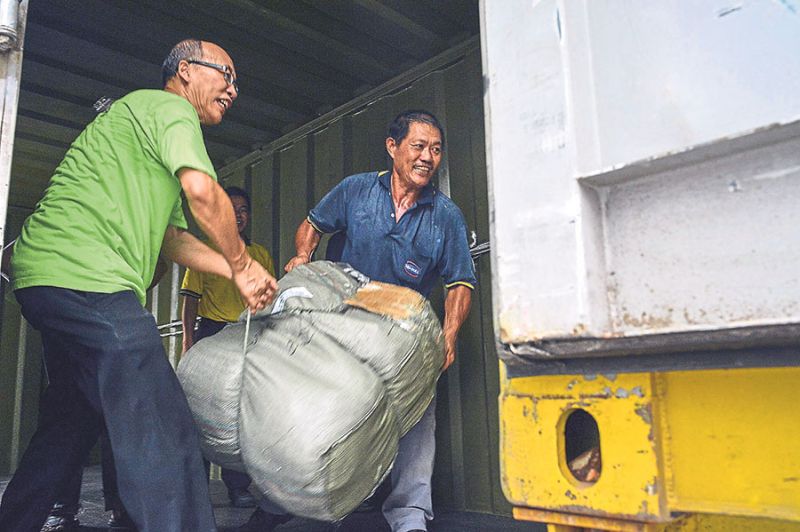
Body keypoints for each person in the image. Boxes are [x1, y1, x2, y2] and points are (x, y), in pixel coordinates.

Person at [0, 39, 277, 532]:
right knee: (162, 418)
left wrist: (233, 269)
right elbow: (202, 190)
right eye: (226, 75)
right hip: (85, 275)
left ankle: (15, 518)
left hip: (45, 275)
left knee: (72, 419)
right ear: (187, 71)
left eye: (237, 82)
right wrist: (241, 260)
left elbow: (172, 239)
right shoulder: (169, 109)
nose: (233, 89)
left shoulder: (140, 125)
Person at [245, 110, 474, 532]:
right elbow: (312, 224)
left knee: (418, 415)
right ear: (393, 147)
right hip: (344, 320)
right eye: (419, 146)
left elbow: (460, 281)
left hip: (403, 330)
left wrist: (449, 335)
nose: (428, 157)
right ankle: (284, 501)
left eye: (436, 150)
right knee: (317, 407)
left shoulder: (446, 216)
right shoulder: (355, 190)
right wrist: (303, 254)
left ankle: (409, 514)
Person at [180, 185, 276, 509]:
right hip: (211, 335)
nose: (238, 215)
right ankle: (195, 490)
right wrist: (188, 343)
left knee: (238, 417)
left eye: (243, 210)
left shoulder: (260, 255)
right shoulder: (205, 251)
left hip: (246, 337)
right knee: (200, 413)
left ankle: (238, 487)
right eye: (231, 208)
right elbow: (189, 300)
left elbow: (269, 301)